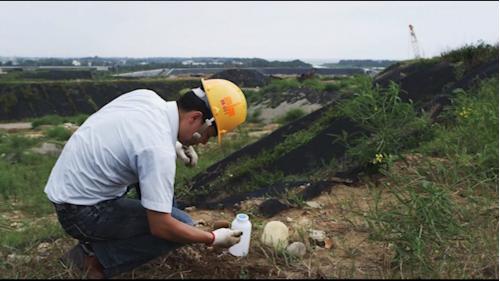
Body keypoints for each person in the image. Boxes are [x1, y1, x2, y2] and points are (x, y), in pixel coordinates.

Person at [44, 78, 247, 279]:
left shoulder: (146, 98)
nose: (202, 142)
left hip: (70, 188)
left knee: (167, 206)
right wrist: (211, 238)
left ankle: (125, 236)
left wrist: (175, 143)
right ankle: (94, 258)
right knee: (177, 225)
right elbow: (161, 226)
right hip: (81, 213)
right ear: (194, 118)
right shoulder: (157, 150)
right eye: (207, 135)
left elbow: (132, 137)